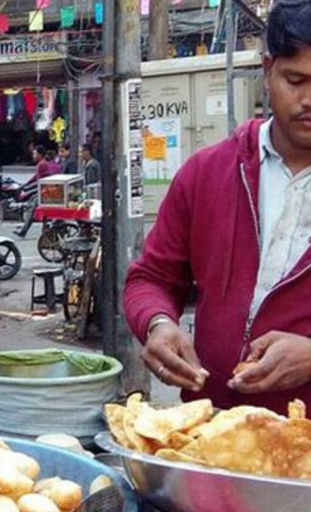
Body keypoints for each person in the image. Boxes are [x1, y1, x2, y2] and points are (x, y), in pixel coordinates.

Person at [123, 0, 311, 414]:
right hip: (211, 435)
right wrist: (158, 323)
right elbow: (150, 278)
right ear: (267, 71)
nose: (308, 99)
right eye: (296, 80)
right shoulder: (206, 173)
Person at [14, 145, 59, 238]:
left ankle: (25, 231)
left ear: (40, 155)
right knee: (35, 210)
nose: (33, 156)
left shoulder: (42, 164)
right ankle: (28, 230)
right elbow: (35, 178)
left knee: (33, 210)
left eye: (35, 154)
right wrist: (25, 185)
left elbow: (41, 181)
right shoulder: (41, 164)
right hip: (42, 191)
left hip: (45, 192)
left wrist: (28, 189)